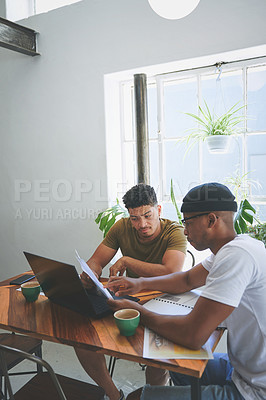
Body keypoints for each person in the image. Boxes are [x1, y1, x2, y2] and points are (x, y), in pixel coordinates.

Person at [108, 182, 266, 400]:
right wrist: (140, 283)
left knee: (137, 397)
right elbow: (186, 279)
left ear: (211, 220)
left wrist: (138, 312)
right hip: (243, 369)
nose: (185, 230)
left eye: (188, 222)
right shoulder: (236, 248)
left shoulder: (236, 257)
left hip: (256, 389)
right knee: (177, 367)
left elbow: (193, 335)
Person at [77, 183, 187, 400]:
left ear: (159, 210)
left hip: (163, 300)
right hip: (126, 299)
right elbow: (97, 260)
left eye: (147, 215)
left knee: (157, 359)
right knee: (83, 341)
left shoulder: (175, 232)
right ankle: (114, 395)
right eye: (135, 218)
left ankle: (151, 396)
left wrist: (128, 260)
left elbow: (171, 271)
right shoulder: (122, 227)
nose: (141, 224)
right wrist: (90, 273)